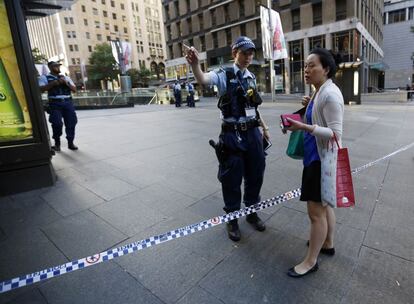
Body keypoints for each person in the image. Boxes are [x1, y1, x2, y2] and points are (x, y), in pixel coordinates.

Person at [185, 36, 270, 241]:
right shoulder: (225, 74)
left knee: (256, 173)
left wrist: (264, 128)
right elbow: (204, 80)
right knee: (231, 178)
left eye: (251, 53)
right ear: (234, 53)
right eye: (244, 52)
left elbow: (253, 108)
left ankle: (251, 212)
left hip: (252, 133)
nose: (249, 56)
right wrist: (196, 65)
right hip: (232, 134)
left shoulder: (250, 77)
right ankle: (232, 218)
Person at [284, 48, 344, 277]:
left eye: (312, 65)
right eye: (305, 66)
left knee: (315, 213)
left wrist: (303, 127)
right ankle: (327, 243)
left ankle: (310, 262)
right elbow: (321, 118)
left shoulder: (330, 94)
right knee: (325, 205)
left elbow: (336, 134)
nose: (306, 70)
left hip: (320, 160)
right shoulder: (321, 91)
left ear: (326, 69)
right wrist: (310, 104)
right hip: (317, 157)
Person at [39, 61, 78, 151]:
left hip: (68, 102)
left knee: (71, 122)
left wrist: (66, 83)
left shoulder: (66, 77)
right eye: (55, 66)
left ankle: (70, 142)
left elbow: (74, 89)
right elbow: (41, 89)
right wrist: (53, 83)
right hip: (55, 103)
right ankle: (57, 143)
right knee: (57, 123)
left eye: (58, 66)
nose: (58, 67)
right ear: (50, 67)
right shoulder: (44, 77)